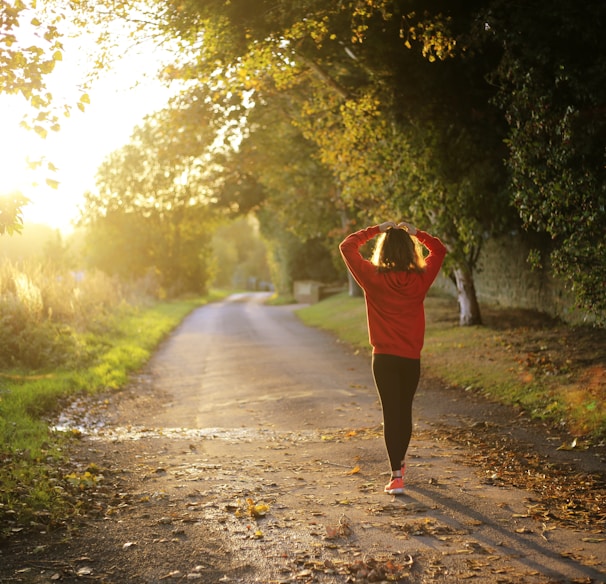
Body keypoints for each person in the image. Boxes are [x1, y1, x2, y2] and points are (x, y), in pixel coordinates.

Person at [339, 220, 447, 495]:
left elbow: (347, 246)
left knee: (391, 413)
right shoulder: (421, 279)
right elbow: (439, 250)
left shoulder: (372, 277)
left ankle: (396, 475)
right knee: (404, 411)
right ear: (411, 251)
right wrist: (417, 233)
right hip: (410, 358)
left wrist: (376, 229)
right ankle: (399, 465)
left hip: (384, 358)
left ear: (383, 251)